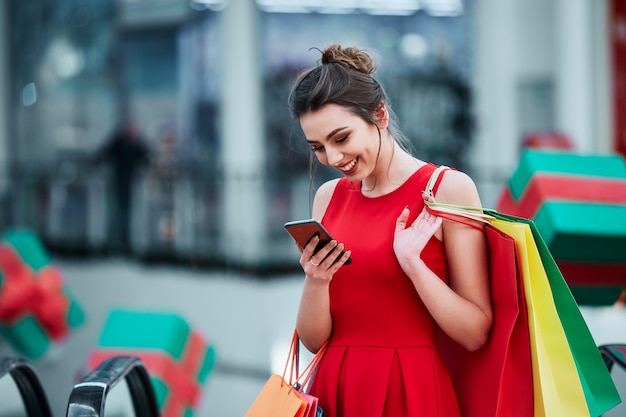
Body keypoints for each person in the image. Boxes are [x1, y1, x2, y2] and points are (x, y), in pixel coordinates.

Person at [287, 44, 492, 417]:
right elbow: (315, 342)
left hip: (411, 392)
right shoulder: (328, 197)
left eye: (341, 138)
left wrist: (415, 266)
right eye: (317, 147)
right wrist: (315, 281)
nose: (332, 159)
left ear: (379, 115)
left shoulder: (448, 189)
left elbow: (475, 332)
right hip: (335, 391)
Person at [96, 121, 150, 253]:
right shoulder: (119, 143)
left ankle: (127, 239)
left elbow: (147, 158)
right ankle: (118, 239)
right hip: (119, 183)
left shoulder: (137, 144)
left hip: (133, 185)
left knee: (129, 213)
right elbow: (104, 154)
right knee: (119, 212)